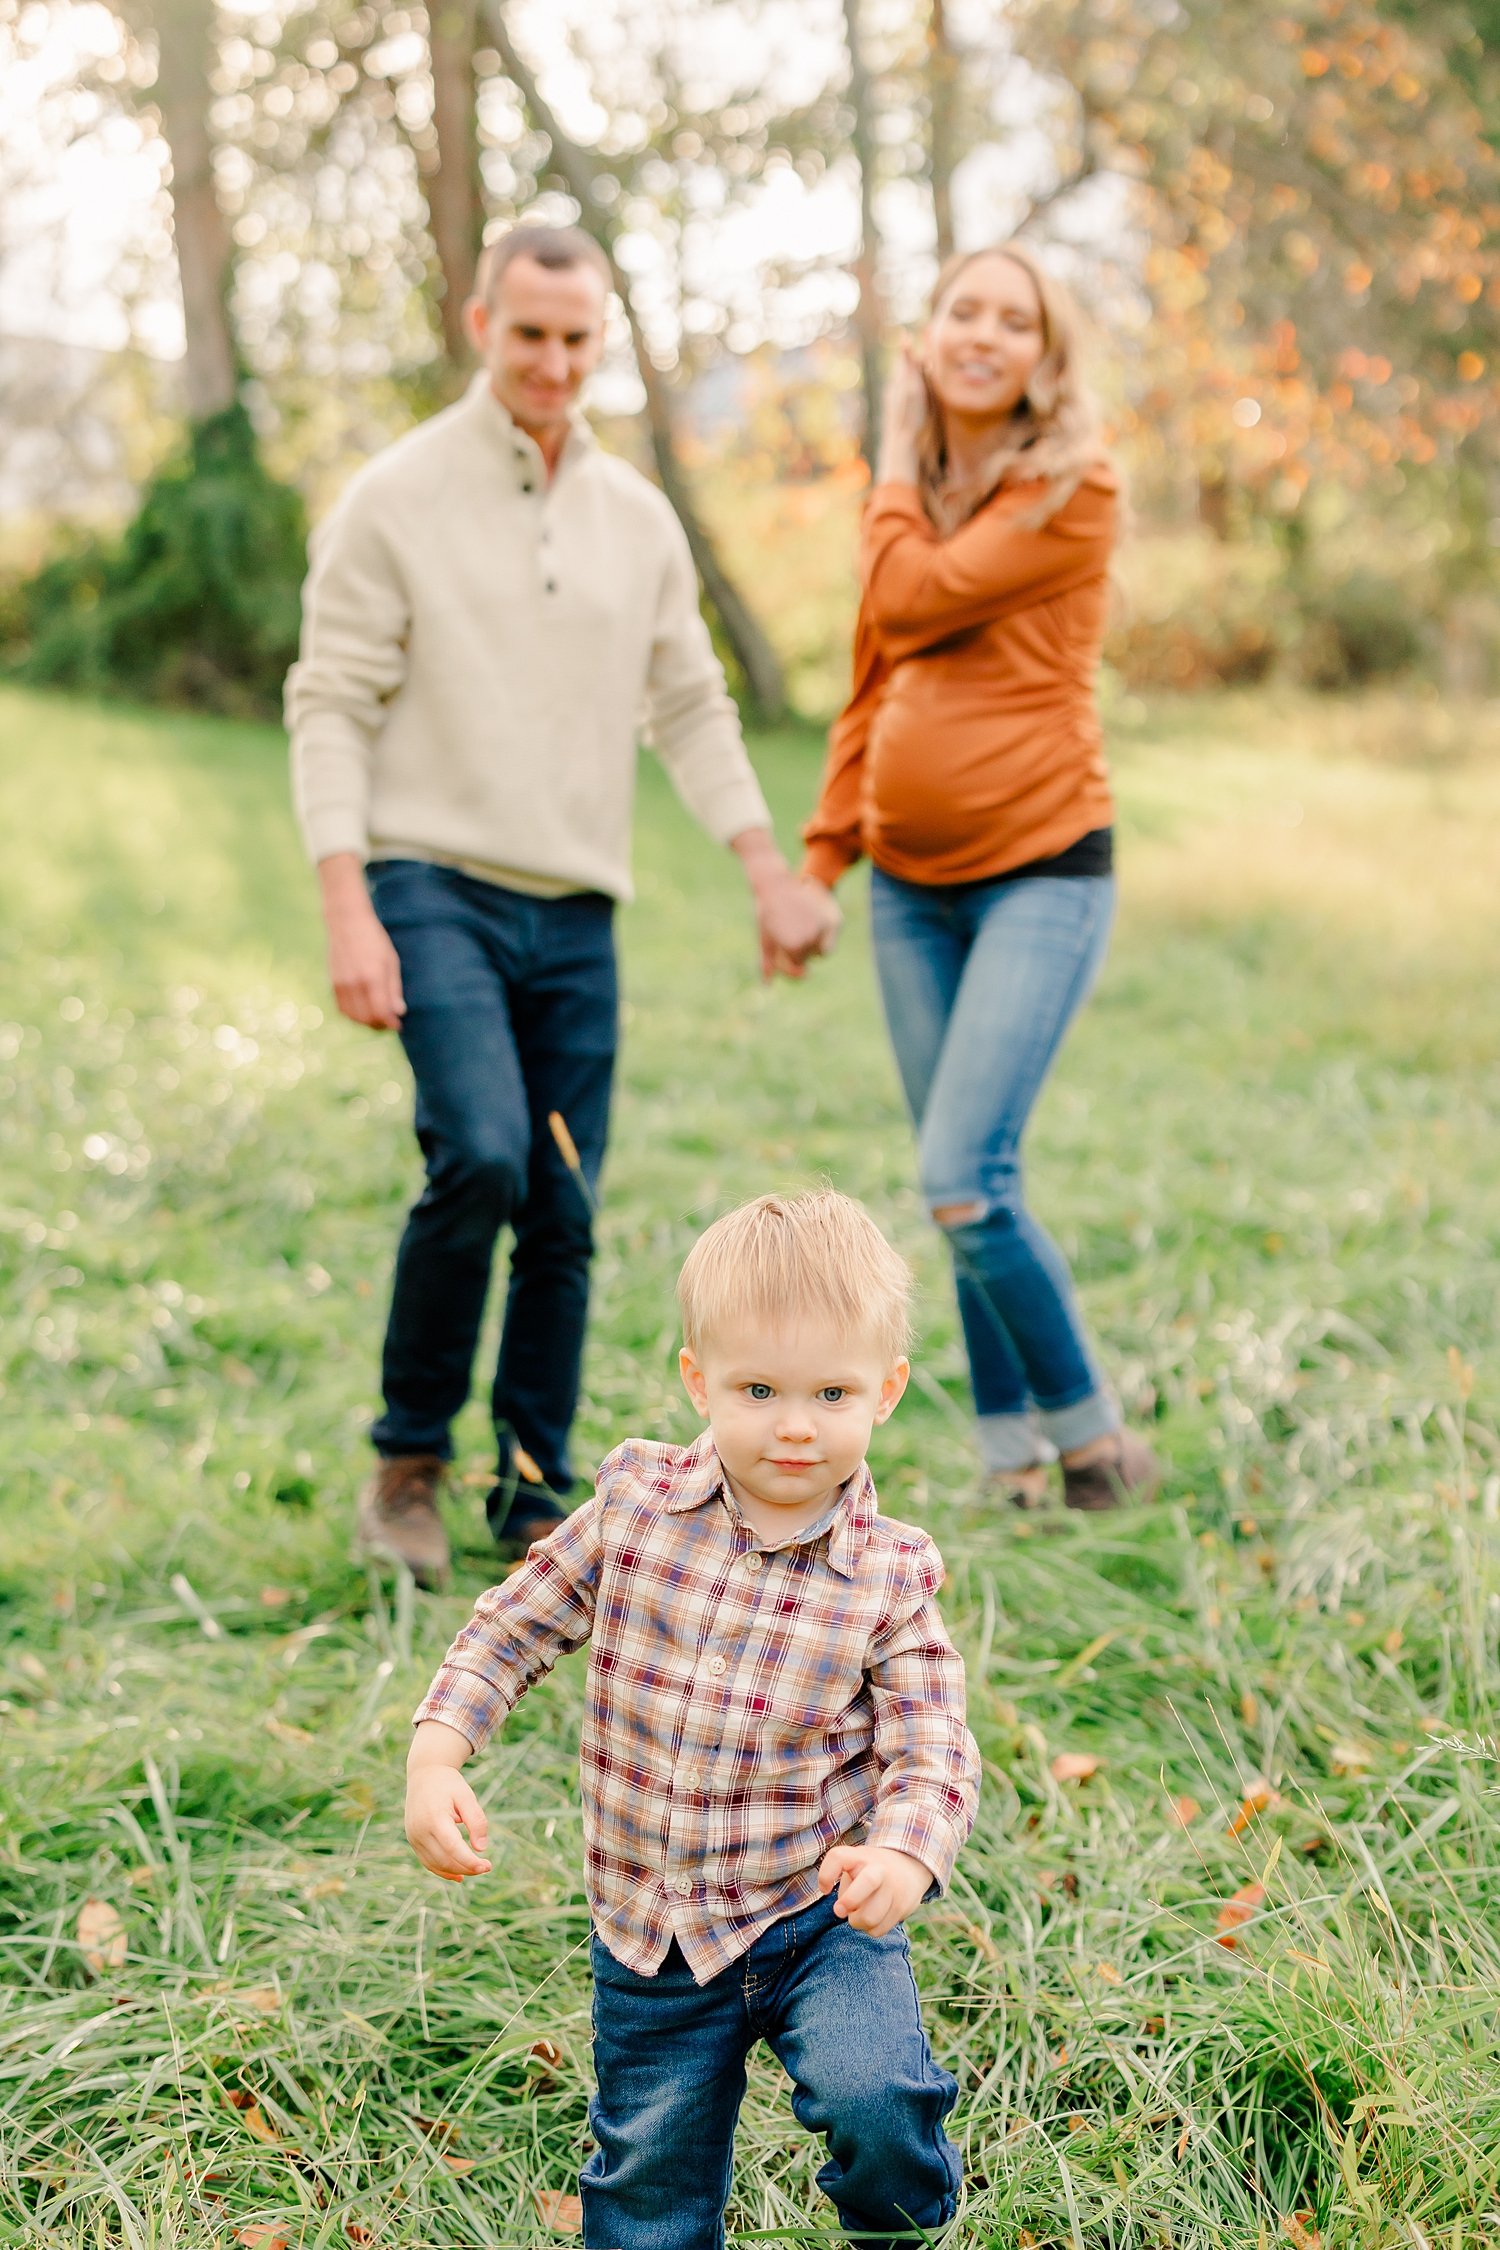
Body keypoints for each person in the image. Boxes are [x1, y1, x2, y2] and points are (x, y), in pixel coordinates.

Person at [285, 221, 839, 1589]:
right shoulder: (396, 494)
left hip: (576, 903)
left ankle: (534, 1491)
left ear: (601, 340)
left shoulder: (636, 517)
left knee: (567, 1203)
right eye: (528, 332)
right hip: (429, 880)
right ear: (482, 321)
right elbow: (329, 701)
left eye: (577, 338)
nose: (552, 360)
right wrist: (348, 904)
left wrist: (767, 867)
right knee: (480, 1151)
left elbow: (693, 703)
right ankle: (405, 1461)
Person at [405, 1189, 979, 2250]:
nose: (795, 1424)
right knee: (647, 2185)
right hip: (651, 1927)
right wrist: (439, 1750)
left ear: (887, 1391)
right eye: (758, 1389)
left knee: (877, 2101)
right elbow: (512, 1626)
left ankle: (899, 2225)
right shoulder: (634, 1507)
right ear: (696, 1379)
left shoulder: (890, 1575)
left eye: (832, 1391)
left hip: (818, 1916)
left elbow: (935, 1746)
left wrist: (902, 1851)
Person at [802, 242, 1160, 1512]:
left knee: (962, 1174)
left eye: (1017, 321)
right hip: (908, 884)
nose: (986, 334)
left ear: (1044, 359)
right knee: (964, 1185)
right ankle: (1009, 1457)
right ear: (930, 334)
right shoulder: (911, 500)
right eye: (965, 310)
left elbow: (910, 598)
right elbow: (871, 673)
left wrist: (894, 460)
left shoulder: (1076, 485)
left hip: (1043, 871)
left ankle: (1095, 1442)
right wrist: (823, 855)